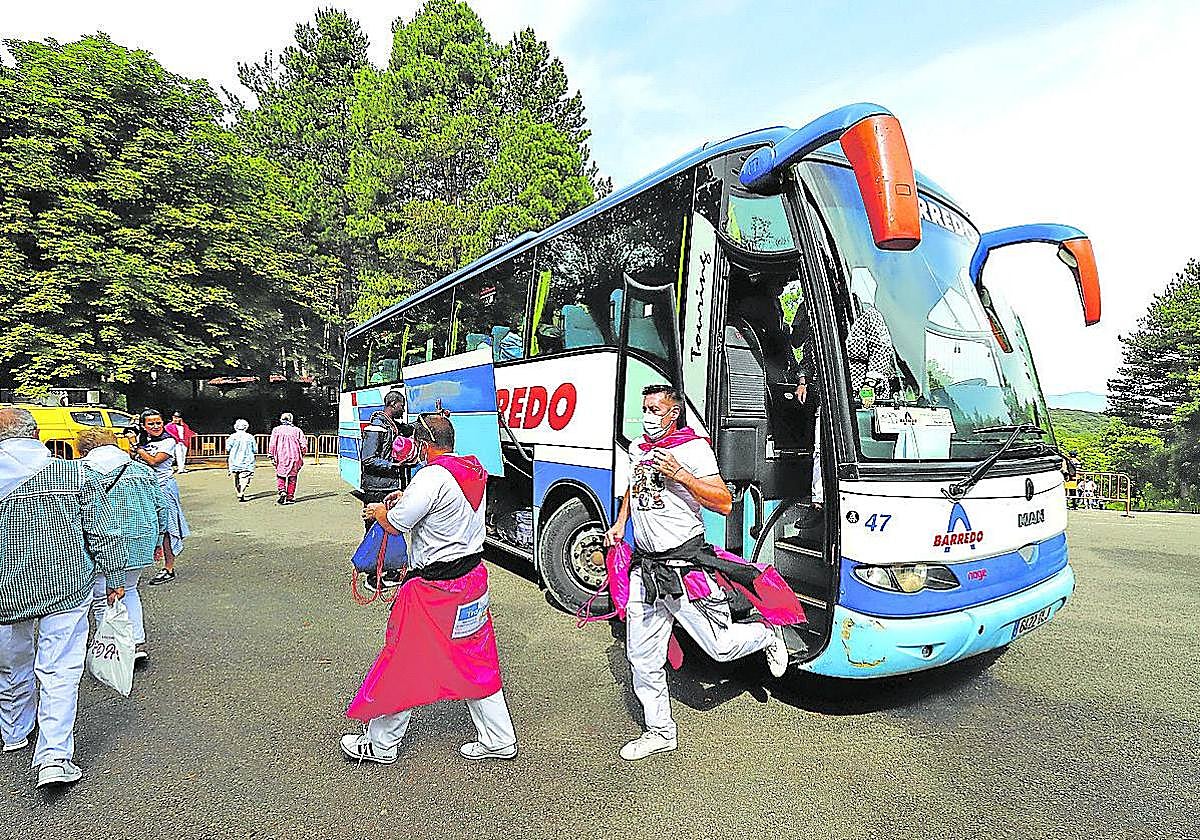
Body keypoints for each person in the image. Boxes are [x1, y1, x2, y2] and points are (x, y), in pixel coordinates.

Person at [602, 384, 790, 762]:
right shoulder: (638, 448)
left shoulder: (693, 447)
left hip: (685, 568)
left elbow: (724, 502)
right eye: (645, 408)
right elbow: (633, 490)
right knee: (642, 658)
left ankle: (766, 634)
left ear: (673, 414)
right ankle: (660, 731)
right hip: (646, 569)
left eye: (655, 410)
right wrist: (621, 523)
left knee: (720, 647)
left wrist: (682, 475)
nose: (647, 417)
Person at [342, 413, 518, 764]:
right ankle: (499, 739)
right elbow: (442, 506)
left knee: (403, 660)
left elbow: (397, 523)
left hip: (436, 590)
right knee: (476, 660)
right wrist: (406, 496)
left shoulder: (431, 476)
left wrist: (378, 511)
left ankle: (381, 744)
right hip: (471, 581)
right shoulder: (473, 469)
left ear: (422, 445)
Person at [0, 407, 128, 789]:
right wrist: (114, 579)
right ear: (36, 434)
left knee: (11, 661)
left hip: (5, 589)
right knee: (59, 669)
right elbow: (103, 533)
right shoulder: (75, 473)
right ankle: (53, 758)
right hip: (65, 583)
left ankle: (14, 732)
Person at [78, 428, 169, 664]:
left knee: (102, 595)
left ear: (85, 450)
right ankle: (136, 643)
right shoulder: (142, 470)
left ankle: (112, 646)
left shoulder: (82, 472)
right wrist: (158, 540)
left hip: (99, 542)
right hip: (140, 538)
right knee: (129, 589)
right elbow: (161, 507)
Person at [131, 409, 190, 585]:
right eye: (151, 423)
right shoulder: (144, 440)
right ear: (143, 426)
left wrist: (136, 447)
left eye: (158, 422)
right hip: (145, 488)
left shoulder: (168, 440)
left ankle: (169, 568)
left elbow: (154, 460)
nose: (156, 426)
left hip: (164, 488)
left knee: (168, 528)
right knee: (146, 526)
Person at [268, 412, 307, 505]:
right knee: (292, 477)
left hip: (280, 456)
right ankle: (290, 497)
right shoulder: (297, 430)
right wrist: (302, 453)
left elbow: (272, 444)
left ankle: (282, 490)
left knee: (280, 474)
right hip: (294, 456)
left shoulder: (276, 430)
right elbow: (303, 444)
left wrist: (271, 454)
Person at [226, 419, 257, 502]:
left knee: (236, 477)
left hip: (234, 460)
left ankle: (238, 491)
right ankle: (242, 492)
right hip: (247, 460)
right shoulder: (250, 437)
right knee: (245, 477)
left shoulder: (232, 437)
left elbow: (228, 448)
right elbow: (255, 449)